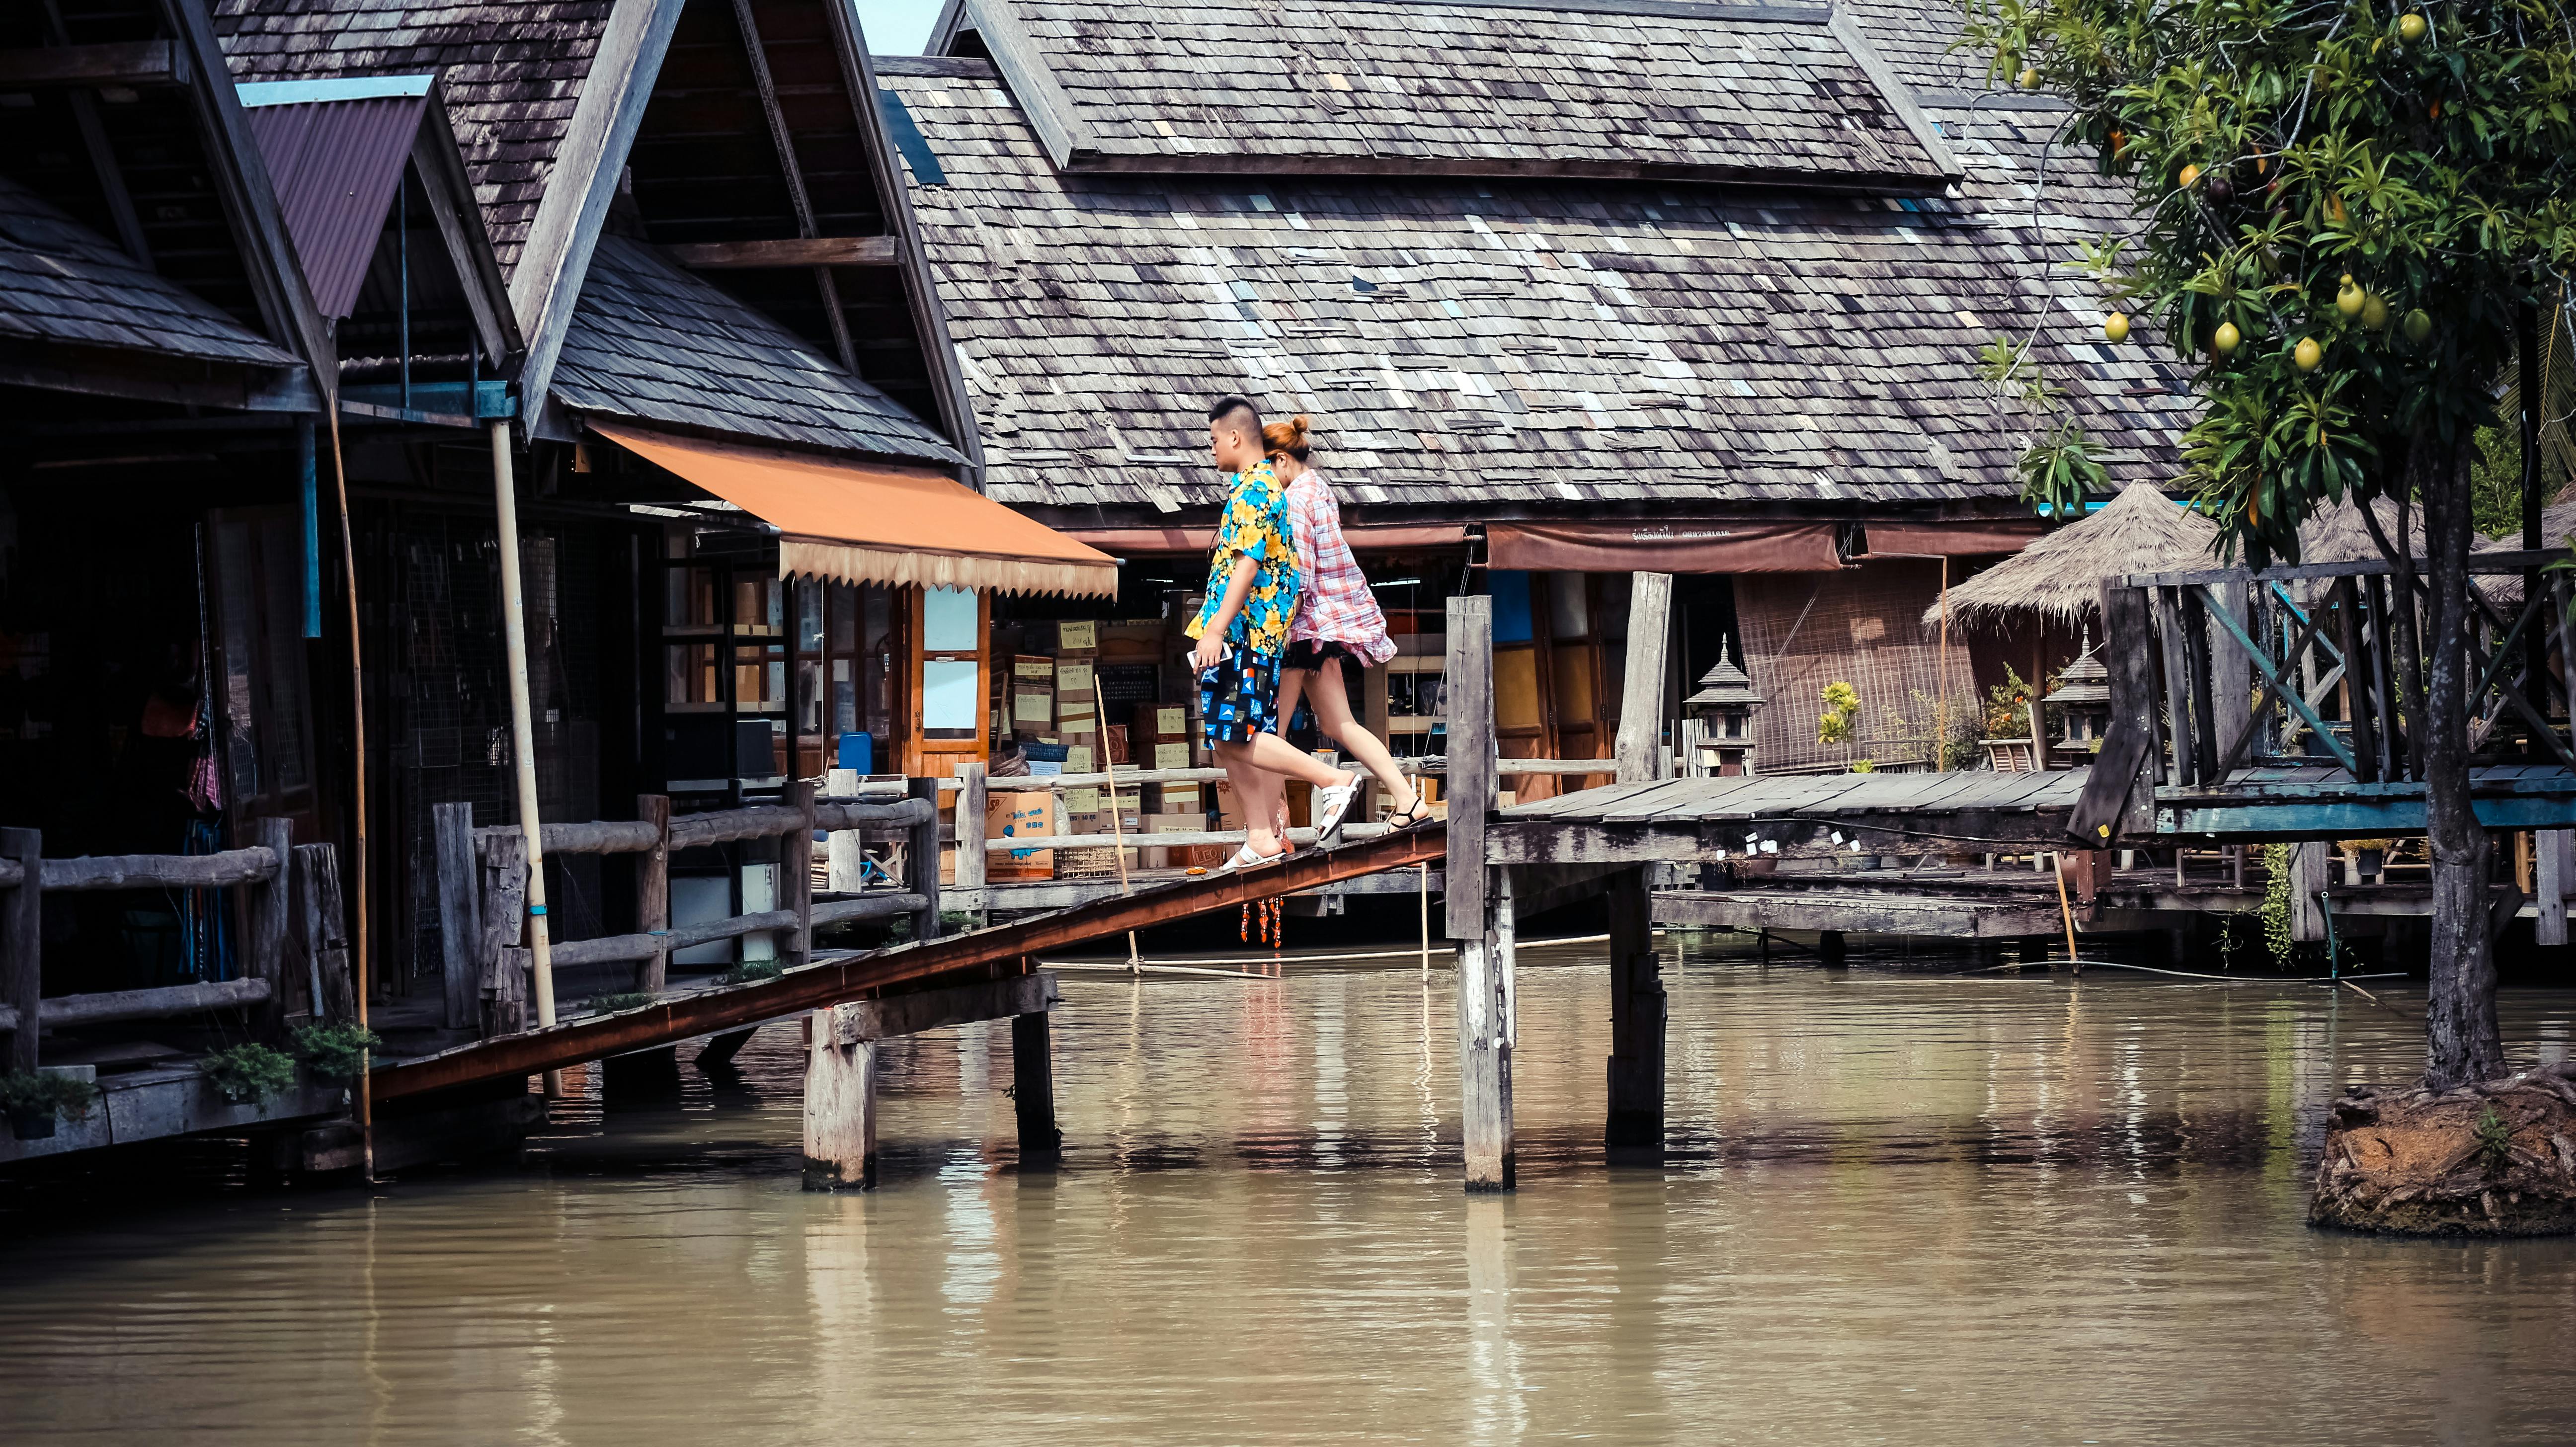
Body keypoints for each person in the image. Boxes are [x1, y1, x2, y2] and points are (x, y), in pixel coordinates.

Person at [1187, 396, 1360, 871]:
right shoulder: (1259, 486)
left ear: (1236, 437)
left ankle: (1332, 782)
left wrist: (1216, 627)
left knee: (1239, 736)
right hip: (1249, 634)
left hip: (1241, 633)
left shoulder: (1254, 490)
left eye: (1214, 440)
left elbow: (1248, 562)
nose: (1212, 449)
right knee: (1227, 737)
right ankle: (1260, 836)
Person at [1266, 415, 1432, 840]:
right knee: (1343, 725)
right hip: (1324, 634)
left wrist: (1276, 631)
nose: (1266, 478)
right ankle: (1409, 800)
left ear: (1282, 460)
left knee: (1270, 737)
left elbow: (1299, 575)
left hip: (1298, 631)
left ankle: (1270, 830)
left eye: (1268, 467)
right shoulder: (1321, 490)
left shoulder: (1295, 500)